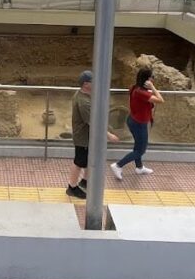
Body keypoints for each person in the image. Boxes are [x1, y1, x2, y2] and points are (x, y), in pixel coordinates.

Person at [66, 70, 119, 199]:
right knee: (79, 162)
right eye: (92, 81)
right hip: (83, 138)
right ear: (86, 84)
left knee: (90, 159)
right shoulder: (83, 102)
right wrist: (109, 135)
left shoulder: (84, 94)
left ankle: (85, 181)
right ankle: (71, 187)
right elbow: (93, 122)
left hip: (90, 137)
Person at [110, 67, 164, 180]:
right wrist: (153, 87)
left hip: (133, 120)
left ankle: (139, 167)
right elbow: (160, 100)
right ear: (147, 79)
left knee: (138, 146)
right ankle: (118, 165)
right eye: (152, 77)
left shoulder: (135, 88)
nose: (153, 79)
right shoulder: (142, 93)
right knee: (141, 150)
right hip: (139, 124)